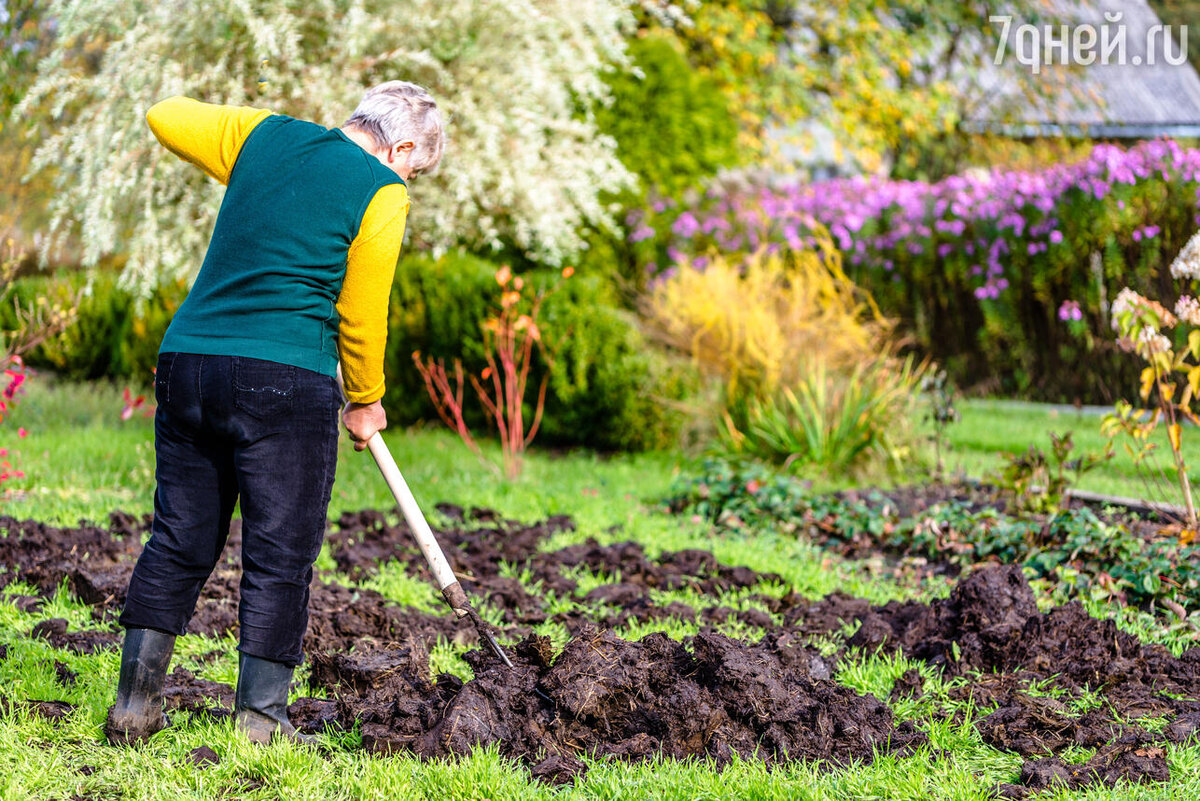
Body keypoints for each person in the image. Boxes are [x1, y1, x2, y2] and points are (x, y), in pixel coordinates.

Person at [104, 81, 445, 746]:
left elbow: (162, 113)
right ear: (400, 147)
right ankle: (260, 721)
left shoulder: (264, 136)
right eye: (414, 168)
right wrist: (367, 398)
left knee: (180, 535)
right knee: (280, 551)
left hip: (189, 363)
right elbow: (361, 311)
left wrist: (243, 145)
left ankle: (133, 706)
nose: (410, 179)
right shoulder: (382, 190)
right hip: (283, 379)